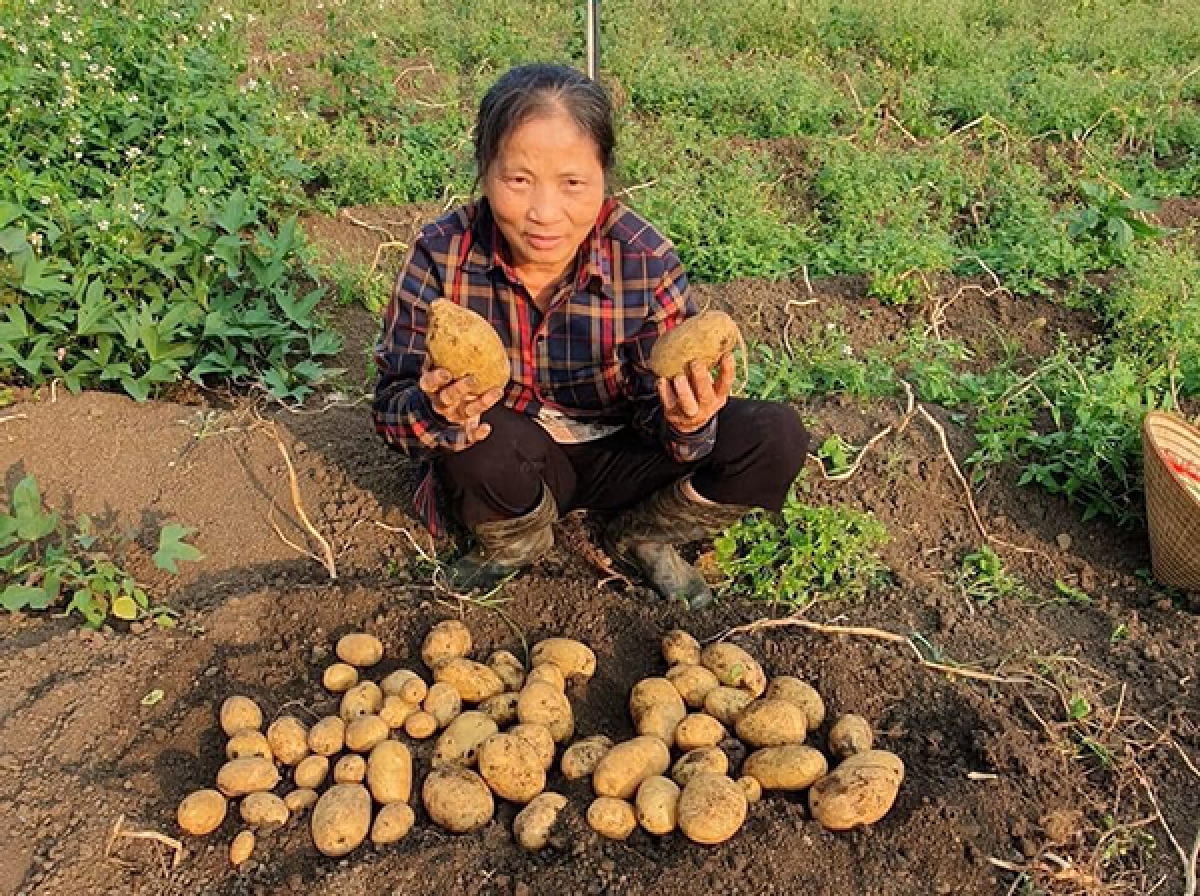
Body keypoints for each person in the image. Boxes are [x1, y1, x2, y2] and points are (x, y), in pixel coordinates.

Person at [372, 63, 809, 607]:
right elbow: (390, 408)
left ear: (605, 176)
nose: (545, 213)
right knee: (478, 438)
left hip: (627, 450)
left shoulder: (643, 259)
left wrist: (687, 421)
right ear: (485, 170)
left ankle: (644, 535)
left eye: (573, 183)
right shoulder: (443, 253)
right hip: (517, 457)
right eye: (518, 180)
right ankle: (516, 542)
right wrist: (437, 411)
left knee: (775, 436)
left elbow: (665, 414)